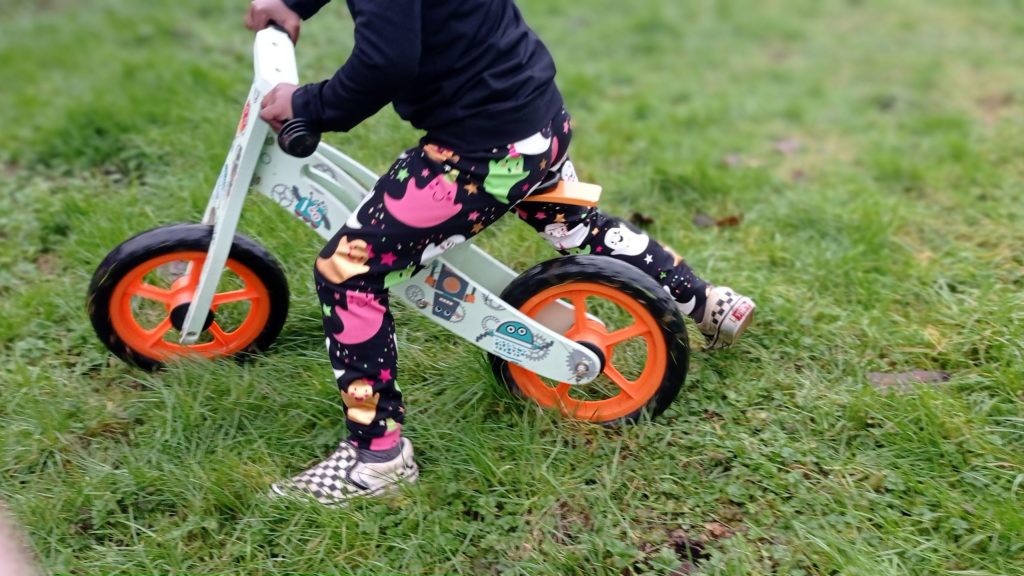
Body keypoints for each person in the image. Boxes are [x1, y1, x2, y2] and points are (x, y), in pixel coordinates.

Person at [245, 0, 756, 506]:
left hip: (480, 148)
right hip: (532, 114)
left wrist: (309, 105)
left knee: (349, 270)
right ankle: (706, 302)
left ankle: (377, 459)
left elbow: (387, 61)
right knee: (574, 226)